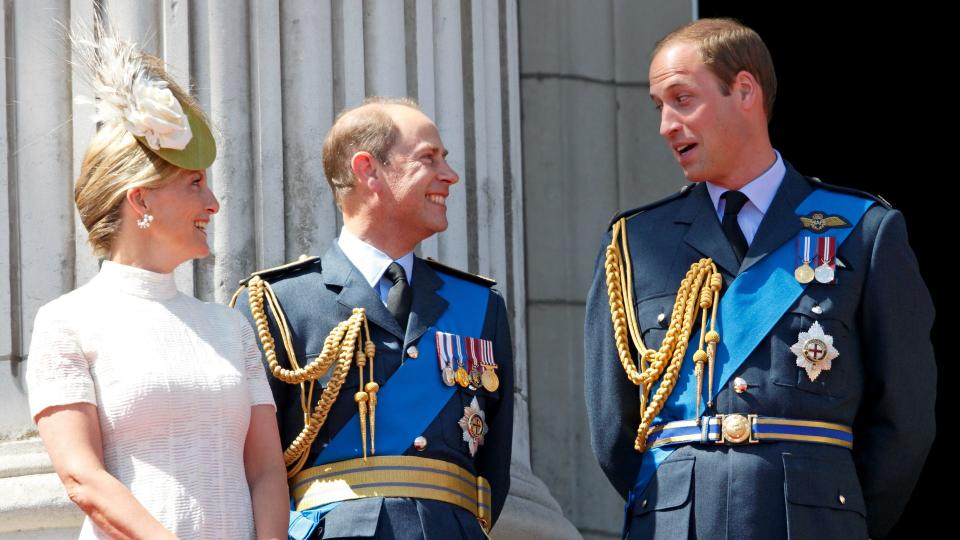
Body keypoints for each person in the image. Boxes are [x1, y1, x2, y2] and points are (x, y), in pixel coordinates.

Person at [584, 18, 935, 539]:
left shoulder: (863, 231)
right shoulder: (635, 242)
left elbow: (904, 419)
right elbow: (613, 429)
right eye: (660, 107)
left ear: (744, 90)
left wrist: (839, 519)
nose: (666, 125)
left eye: (682, 99)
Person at [25, 28, 288, 539]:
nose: (213, 203)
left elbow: (266, 472)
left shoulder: (230, 326)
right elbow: (82, 478)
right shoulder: (67, 322)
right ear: (140, 200)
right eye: (195, 183)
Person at [233, 97, 513, 539]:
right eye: (429, 158)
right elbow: (251, 469)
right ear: (369, 170)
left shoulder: (479, 305)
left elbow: (493, 466)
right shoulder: (277, 303)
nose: (450, 176)